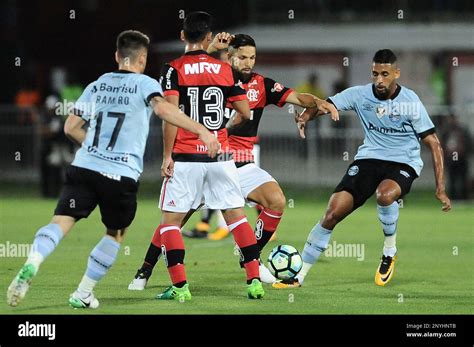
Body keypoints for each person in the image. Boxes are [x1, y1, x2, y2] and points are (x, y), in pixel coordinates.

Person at [7, 29, 219, 308]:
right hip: (120, 175)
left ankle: (33, 261)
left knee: (60, 222)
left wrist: (97, 149)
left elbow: (71, 127)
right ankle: (83, 292)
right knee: (115, 233)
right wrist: (202, 131)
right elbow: (164, 110)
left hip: (84, 166)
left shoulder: (97, 84)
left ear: (117, 56)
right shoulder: (145, 84)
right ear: (142, 59)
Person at [128, 32, 338, 289]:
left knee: (276, 201)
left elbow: (298, 98)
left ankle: (250, 256)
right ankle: (145, 269)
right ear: (229, 56)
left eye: (252, 57)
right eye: (242, 57)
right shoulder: (214, 76)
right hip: (204, 161)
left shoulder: (261, 84)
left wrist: (321, 103)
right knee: (174, 222)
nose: (248, 63)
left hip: (241, 163)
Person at [275, 49, 452, 289]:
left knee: (385, 195)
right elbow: (325, 105)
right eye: (375, 73)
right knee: (332, 213)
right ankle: (299, 277)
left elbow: (434, 143)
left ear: (396, 74)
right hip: (369, 159)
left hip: (404, 162)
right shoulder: (359, 94)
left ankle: (389, 251)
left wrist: (440, 187)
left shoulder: (410, 101)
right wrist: (307, 116)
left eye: (385, 74)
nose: (379, 79)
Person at [129, 12, 266, 301]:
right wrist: (221, 132)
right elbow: (244, 112)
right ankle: (254, 281)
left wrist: (167, 155)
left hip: (186, 157)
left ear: (182, 36)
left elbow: (170, 115)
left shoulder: (172, 69)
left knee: (170, 223)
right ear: (208, 38)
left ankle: (180, 287)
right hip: (221, 156)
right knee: (237, 218)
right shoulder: (225, 69)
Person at [442, 114, 470, 200]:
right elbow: (441, 144)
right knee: (452, 179)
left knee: (463, 179)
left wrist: (464, 152)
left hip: (461, 159)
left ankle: (464, 197)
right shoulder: (446, 132)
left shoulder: (462, 130)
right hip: (451, 160)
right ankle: (453, 197)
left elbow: (468, 143)